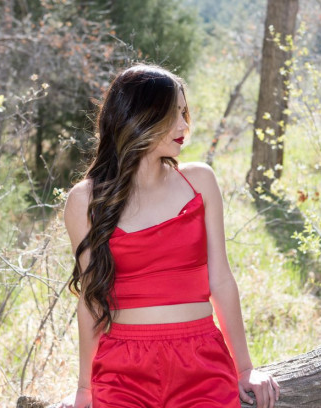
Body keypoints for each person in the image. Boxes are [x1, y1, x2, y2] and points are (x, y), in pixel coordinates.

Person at [61, 64, 280, 408]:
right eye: (172, 115)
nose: (184, 126)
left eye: (184, 112)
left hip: (201, 361)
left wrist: (246, 368)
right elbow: (91, 299)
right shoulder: (84, 200)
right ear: (139, 117)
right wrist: (85, 390)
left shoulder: (200, 182)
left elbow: (221, 280)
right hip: (123, 369)